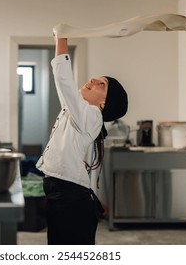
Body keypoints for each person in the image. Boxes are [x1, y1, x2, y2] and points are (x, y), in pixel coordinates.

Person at [36, 36, 128, 245]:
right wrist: (57, 38)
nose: (93, 80)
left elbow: (64, 81)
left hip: (71, 198)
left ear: (104, 103)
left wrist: (61, 37)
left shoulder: (92, 115)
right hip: (62, 192)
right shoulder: (78, 111)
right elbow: (64, 87)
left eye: (101, 84)